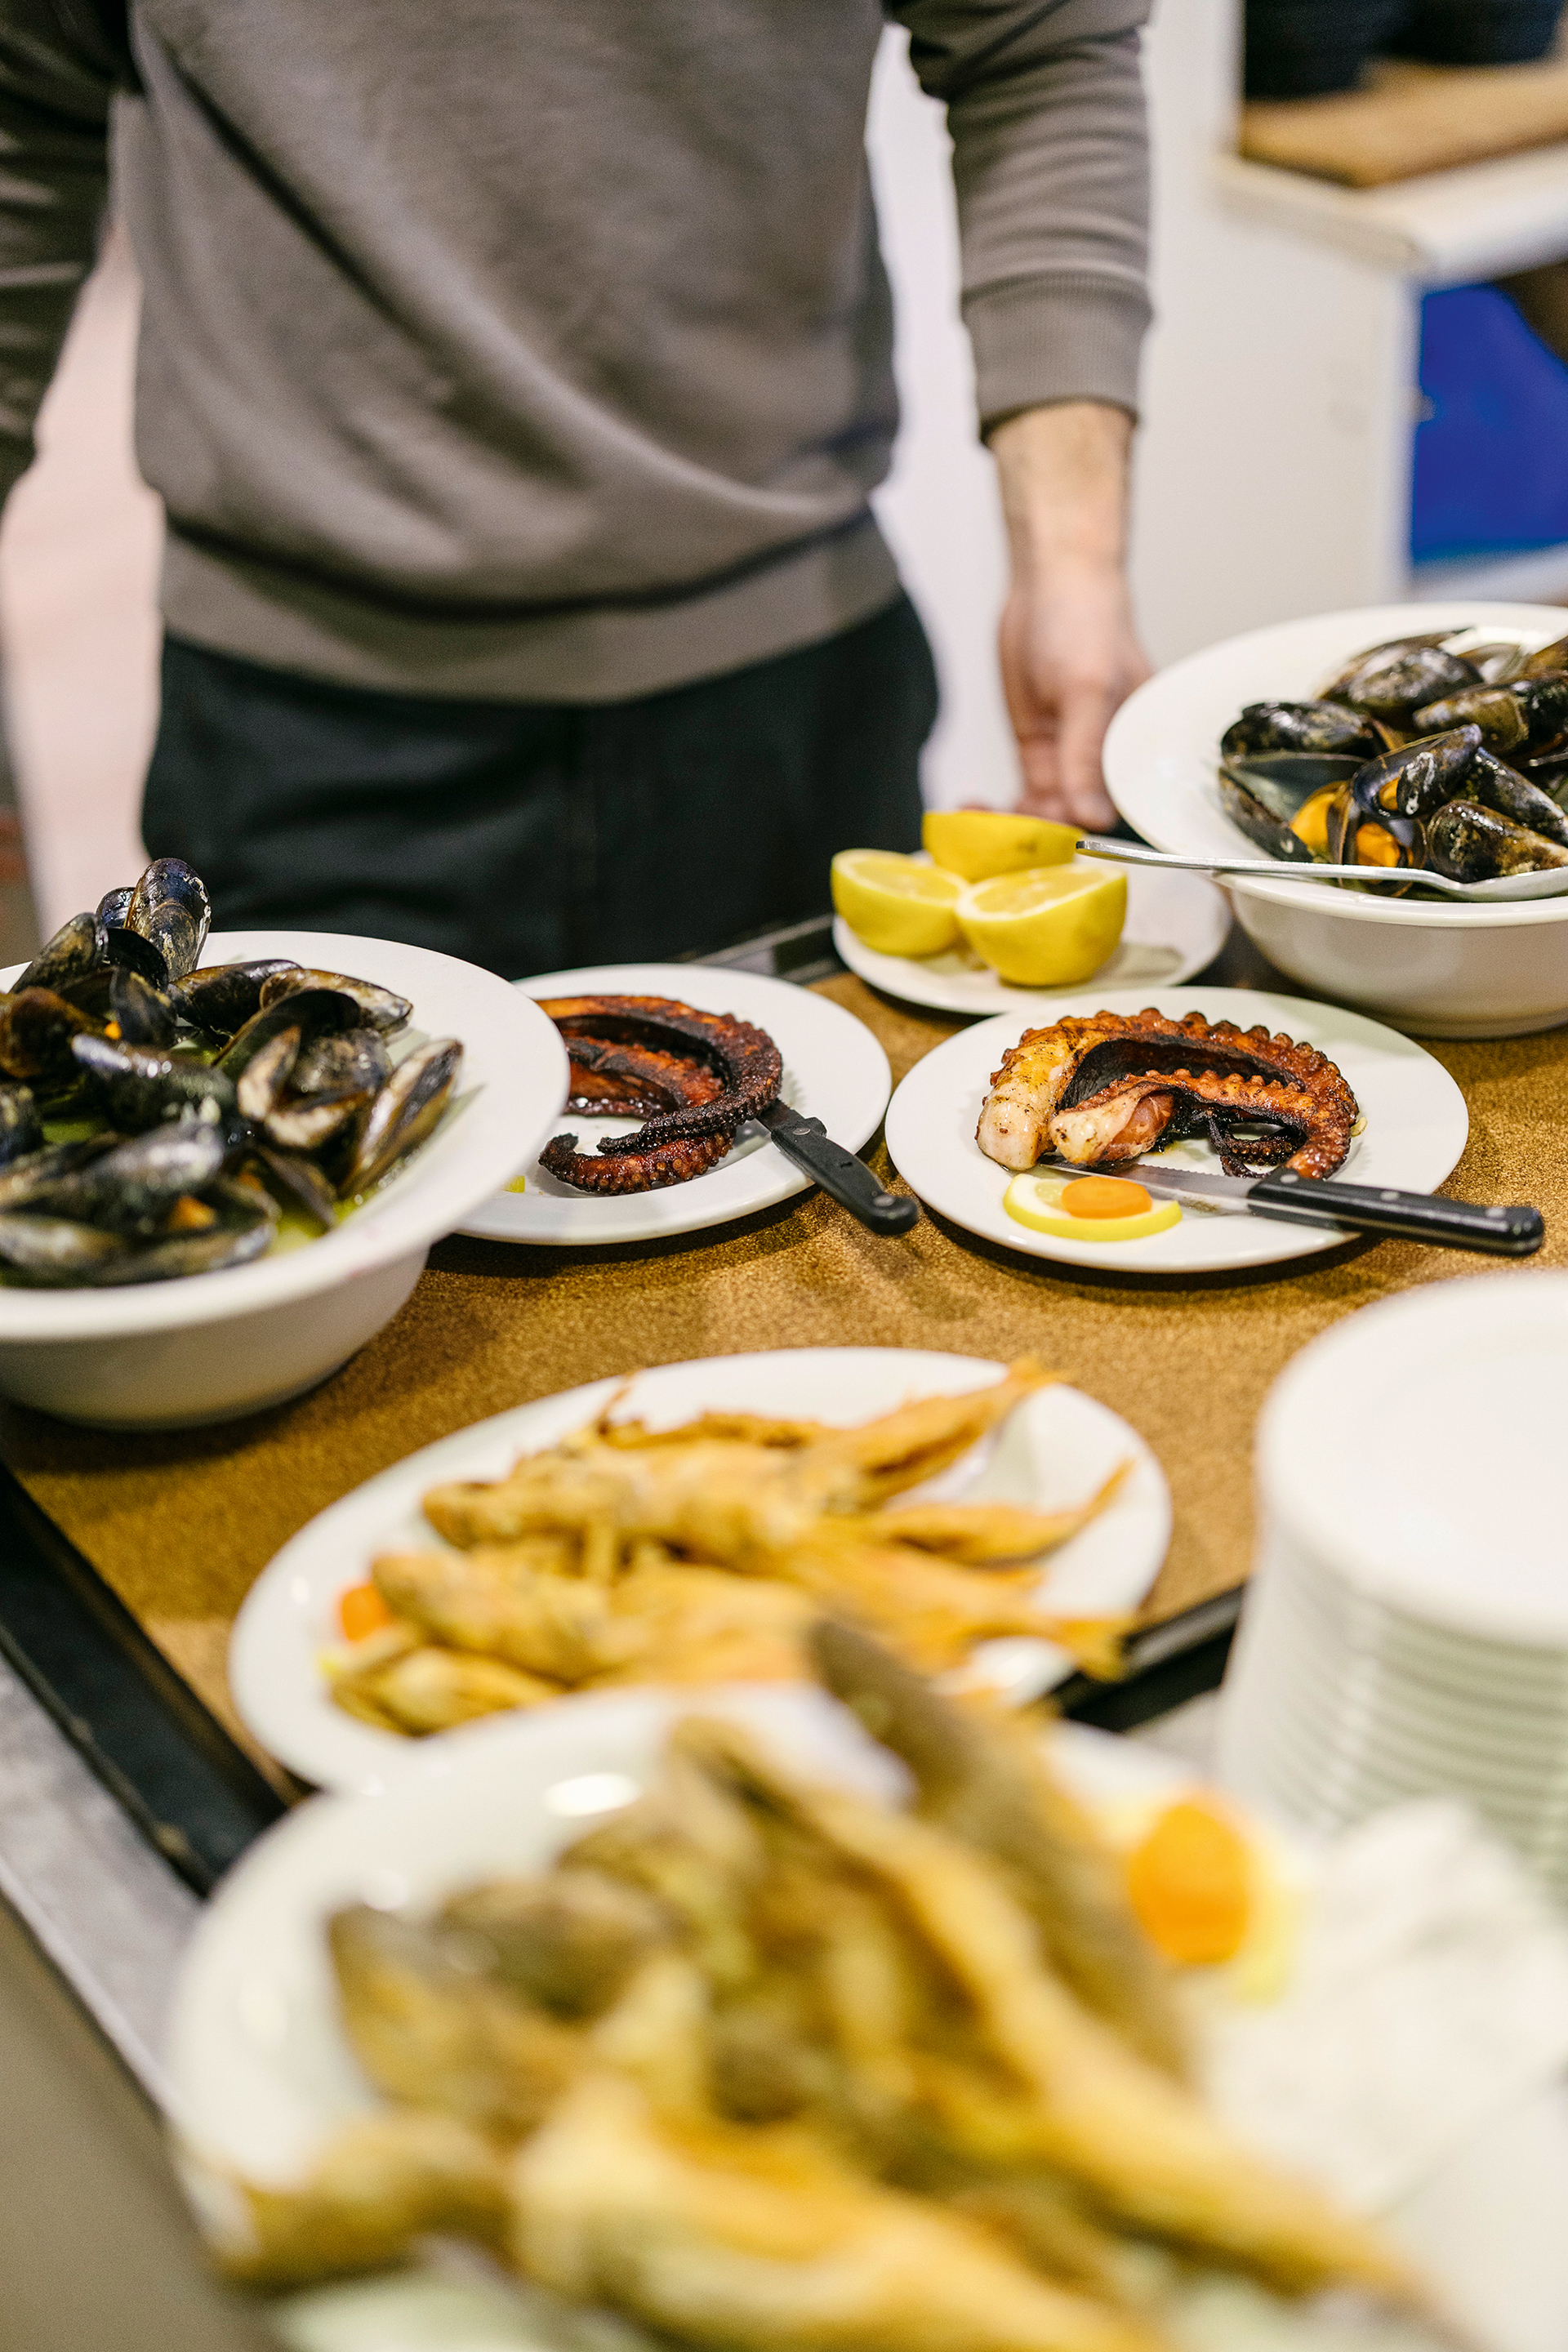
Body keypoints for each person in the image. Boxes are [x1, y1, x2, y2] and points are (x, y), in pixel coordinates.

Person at [0, 0, 1152, 975]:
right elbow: (22, 104)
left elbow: (1037, 42)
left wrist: (1073, 563)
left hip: (788, 706)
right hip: (299, 723)